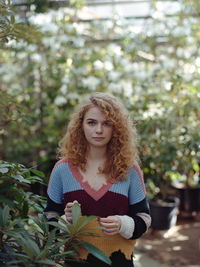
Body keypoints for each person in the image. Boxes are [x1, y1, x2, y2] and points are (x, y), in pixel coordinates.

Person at [44, 92, 151, 267]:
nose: (99, 130)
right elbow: (49, 219)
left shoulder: (129, 169)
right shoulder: (62, 170)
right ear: (81, 126)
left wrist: (123, 224)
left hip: (120, 261)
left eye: (107, 123)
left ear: (116, 128)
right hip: (76, 262)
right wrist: (65, 220)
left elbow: (144, 218)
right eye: (92, 122)